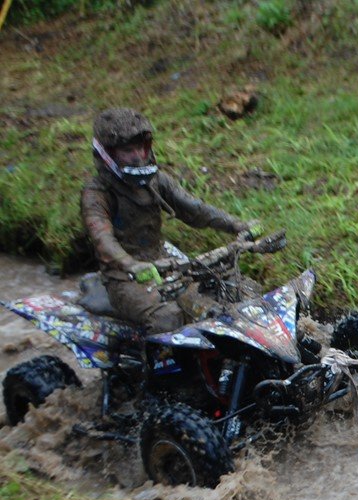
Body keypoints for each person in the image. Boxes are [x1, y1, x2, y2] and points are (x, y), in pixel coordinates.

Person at [81, 107, 258, 332]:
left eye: (141, 148)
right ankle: (155, 355)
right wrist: (131, 264)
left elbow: (195, 209)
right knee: (168, 318)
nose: (138, 156)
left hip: (166, 263)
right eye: (127, 150)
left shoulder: (157, 181)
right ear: (108, 154)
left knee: (226, 292)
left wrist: (237, 224)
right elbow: (102, 239)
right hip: (124, 277)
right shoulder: (97, 193)